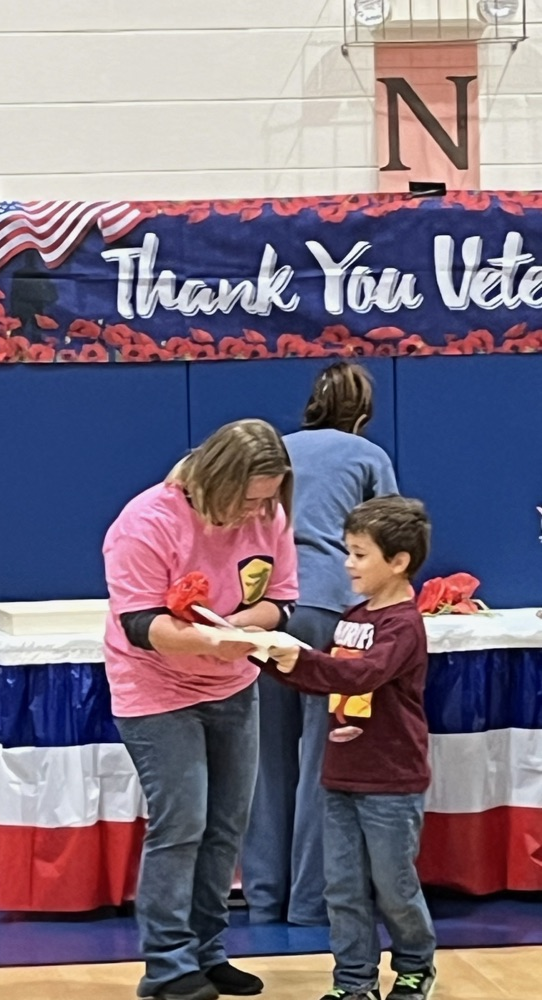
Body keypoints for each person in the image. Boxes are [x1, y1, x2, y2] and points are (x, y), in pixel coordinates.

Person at [103, 419, 299, 1000]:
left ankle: (208, 952)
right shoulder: (146, 522)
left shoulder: (269, 515)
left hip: (233, 686)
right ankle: (166, 964)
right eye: (247, 498)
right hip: (156, 690)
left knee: (225, 826)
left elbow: (282, 602)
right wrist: (211, 642)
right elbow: (140, 625)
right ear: (216, 479)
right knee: (182, 822)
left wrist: (240, 629)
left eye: (268, 499)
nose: (255, 512)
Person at [243, 361, 398, 925]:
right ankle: (311, 903)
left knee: (265, 761)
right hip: (334, 612)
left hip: (266, 610)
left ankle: (263, 899)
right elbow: (389, 537)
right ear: (362, 413)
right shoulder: (367, 456)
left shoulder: (277, 451)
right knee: (321, 758)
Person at [264, 495, 437, 1000]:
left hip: (390, 779)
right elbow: (325, 679)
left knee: (394, 886)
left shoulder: (403, 623)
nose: (348, 563)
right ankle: (353, 982)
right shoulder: (353, 615)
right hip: (341, 775)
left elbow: (364, 673)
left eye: (360, 553)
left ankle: (414, 966)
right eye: (349, 551)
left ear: (398, 561)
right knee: (341, 887)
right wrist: (259, 655)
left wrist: (298, 657)